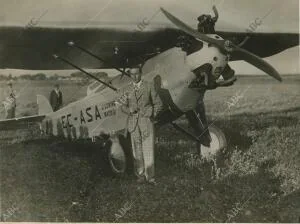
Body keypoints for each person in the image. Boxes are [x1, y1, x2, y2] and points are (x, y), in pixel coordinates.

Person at [120, 67, 163, 184]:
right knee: (136, 150)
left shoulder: (149, 86)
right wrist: (129, 110)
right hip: (133, 124)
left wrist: (151, 114)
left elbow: (158, 104)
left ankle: (150, 177)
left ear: (141, 73)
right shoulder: (126, 89)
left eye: (137, 74)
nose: (135, 76)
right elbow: (122, 106)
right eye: (132, 74)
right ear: (130, 75)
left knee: (148, 149)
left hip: (146, 122)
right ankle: (140, 176)